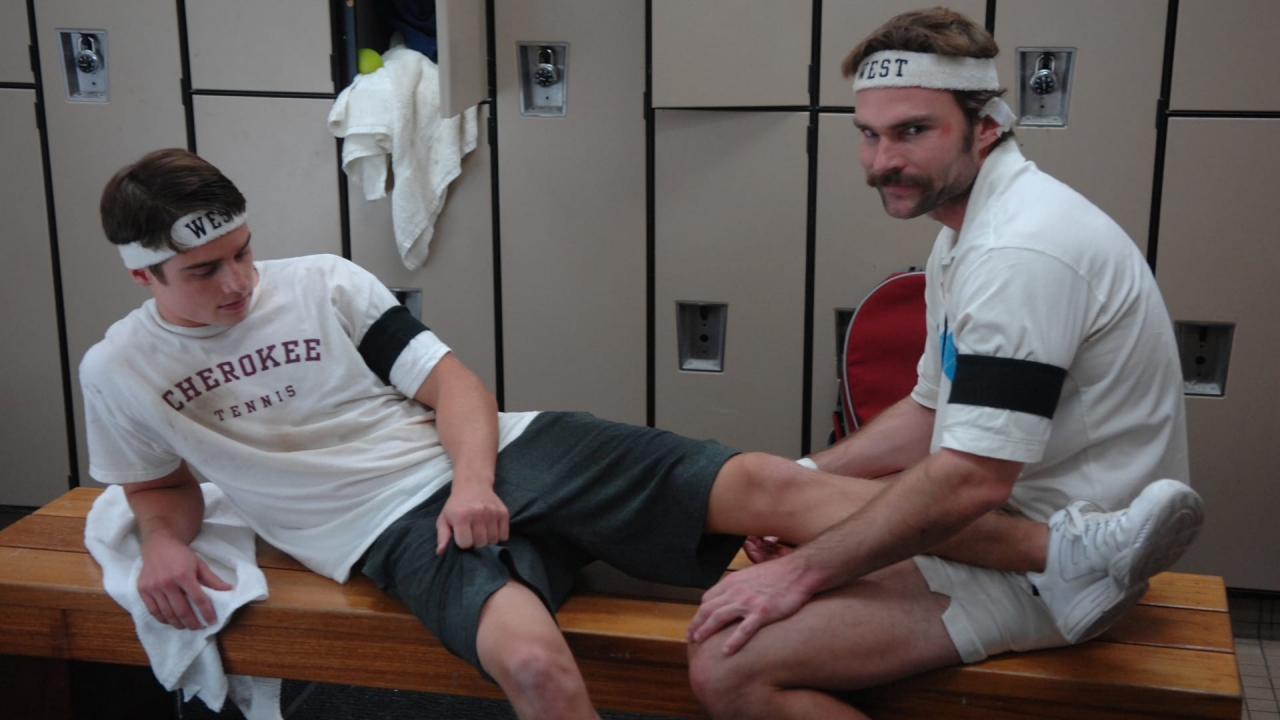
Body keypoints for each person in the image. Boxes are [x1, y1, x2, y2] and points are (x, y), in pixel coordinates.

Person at [85, 146, 1189, 720]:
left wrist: (473, 478)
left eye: (242, 251)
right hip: (383, 530)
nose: (239, 281)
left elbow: (451, 384)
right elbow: (157, 483)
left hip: (504, 454)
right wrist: (165, 540)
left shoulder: (321, 282)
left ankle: (1065, 554)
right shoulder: (121, 371)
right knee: (535, 668)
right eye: (205, 270)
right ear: (144, 277)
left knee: (775, 481)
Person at [685, 8, 1204, 719]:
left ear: (986, 125)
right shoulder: (968, 233)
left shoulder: (1020, 252)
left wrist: (801, 572)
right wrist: (800, 481)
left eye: (912, 132)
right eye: (869, 134)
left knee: (727, 663)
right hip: (1000, 526)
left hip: (1049, 568)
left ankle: (1083, 555)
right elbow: (930, 410)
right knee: (765, 502)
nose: (882, 163)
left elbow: (971, 481)